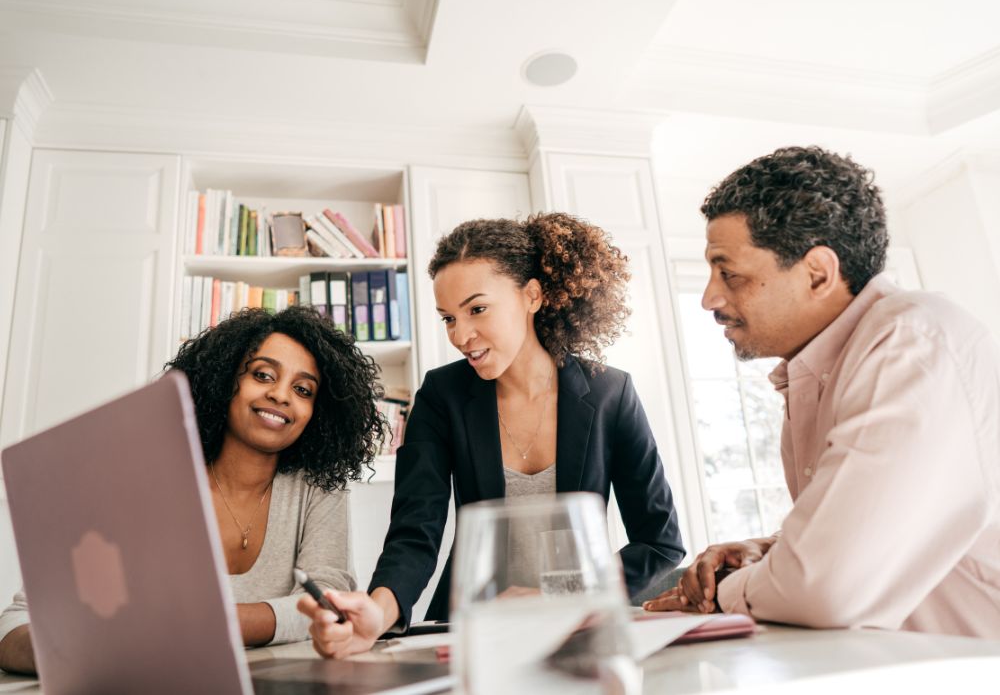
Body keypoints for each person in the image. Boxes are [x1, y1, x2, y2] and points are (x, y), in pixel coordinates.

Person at [643, 146, 1000, 638]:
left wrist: (729, 589)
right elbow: (882, 528)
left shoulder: (911, 344)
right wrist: (775, 548)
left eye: (729, 273)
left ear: (818, 273)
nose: (710, 298)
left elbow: (825, 587)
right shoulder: (821, 367)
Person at [299, 212, 686, 658]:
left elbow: (660, 540)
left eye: (477, 309)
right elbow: (415, 532)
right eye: (448, 318)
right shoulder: (441, 396)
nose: (461, 335)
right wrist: (378, 612)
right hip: (472, 632)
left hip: (579, 630)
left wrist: (563, 596)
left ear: (532, 296)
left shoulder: (608, 393)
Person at [0, 306, 384, 674]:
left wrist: (203, 627)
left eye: (303, 390)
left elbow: (327, 601)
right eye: (263, 375)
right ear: (223, 380)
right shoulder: (143, 481)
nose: (281, 395)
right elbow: (18, 621)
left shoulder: (318, 487)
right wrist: (78, 651)